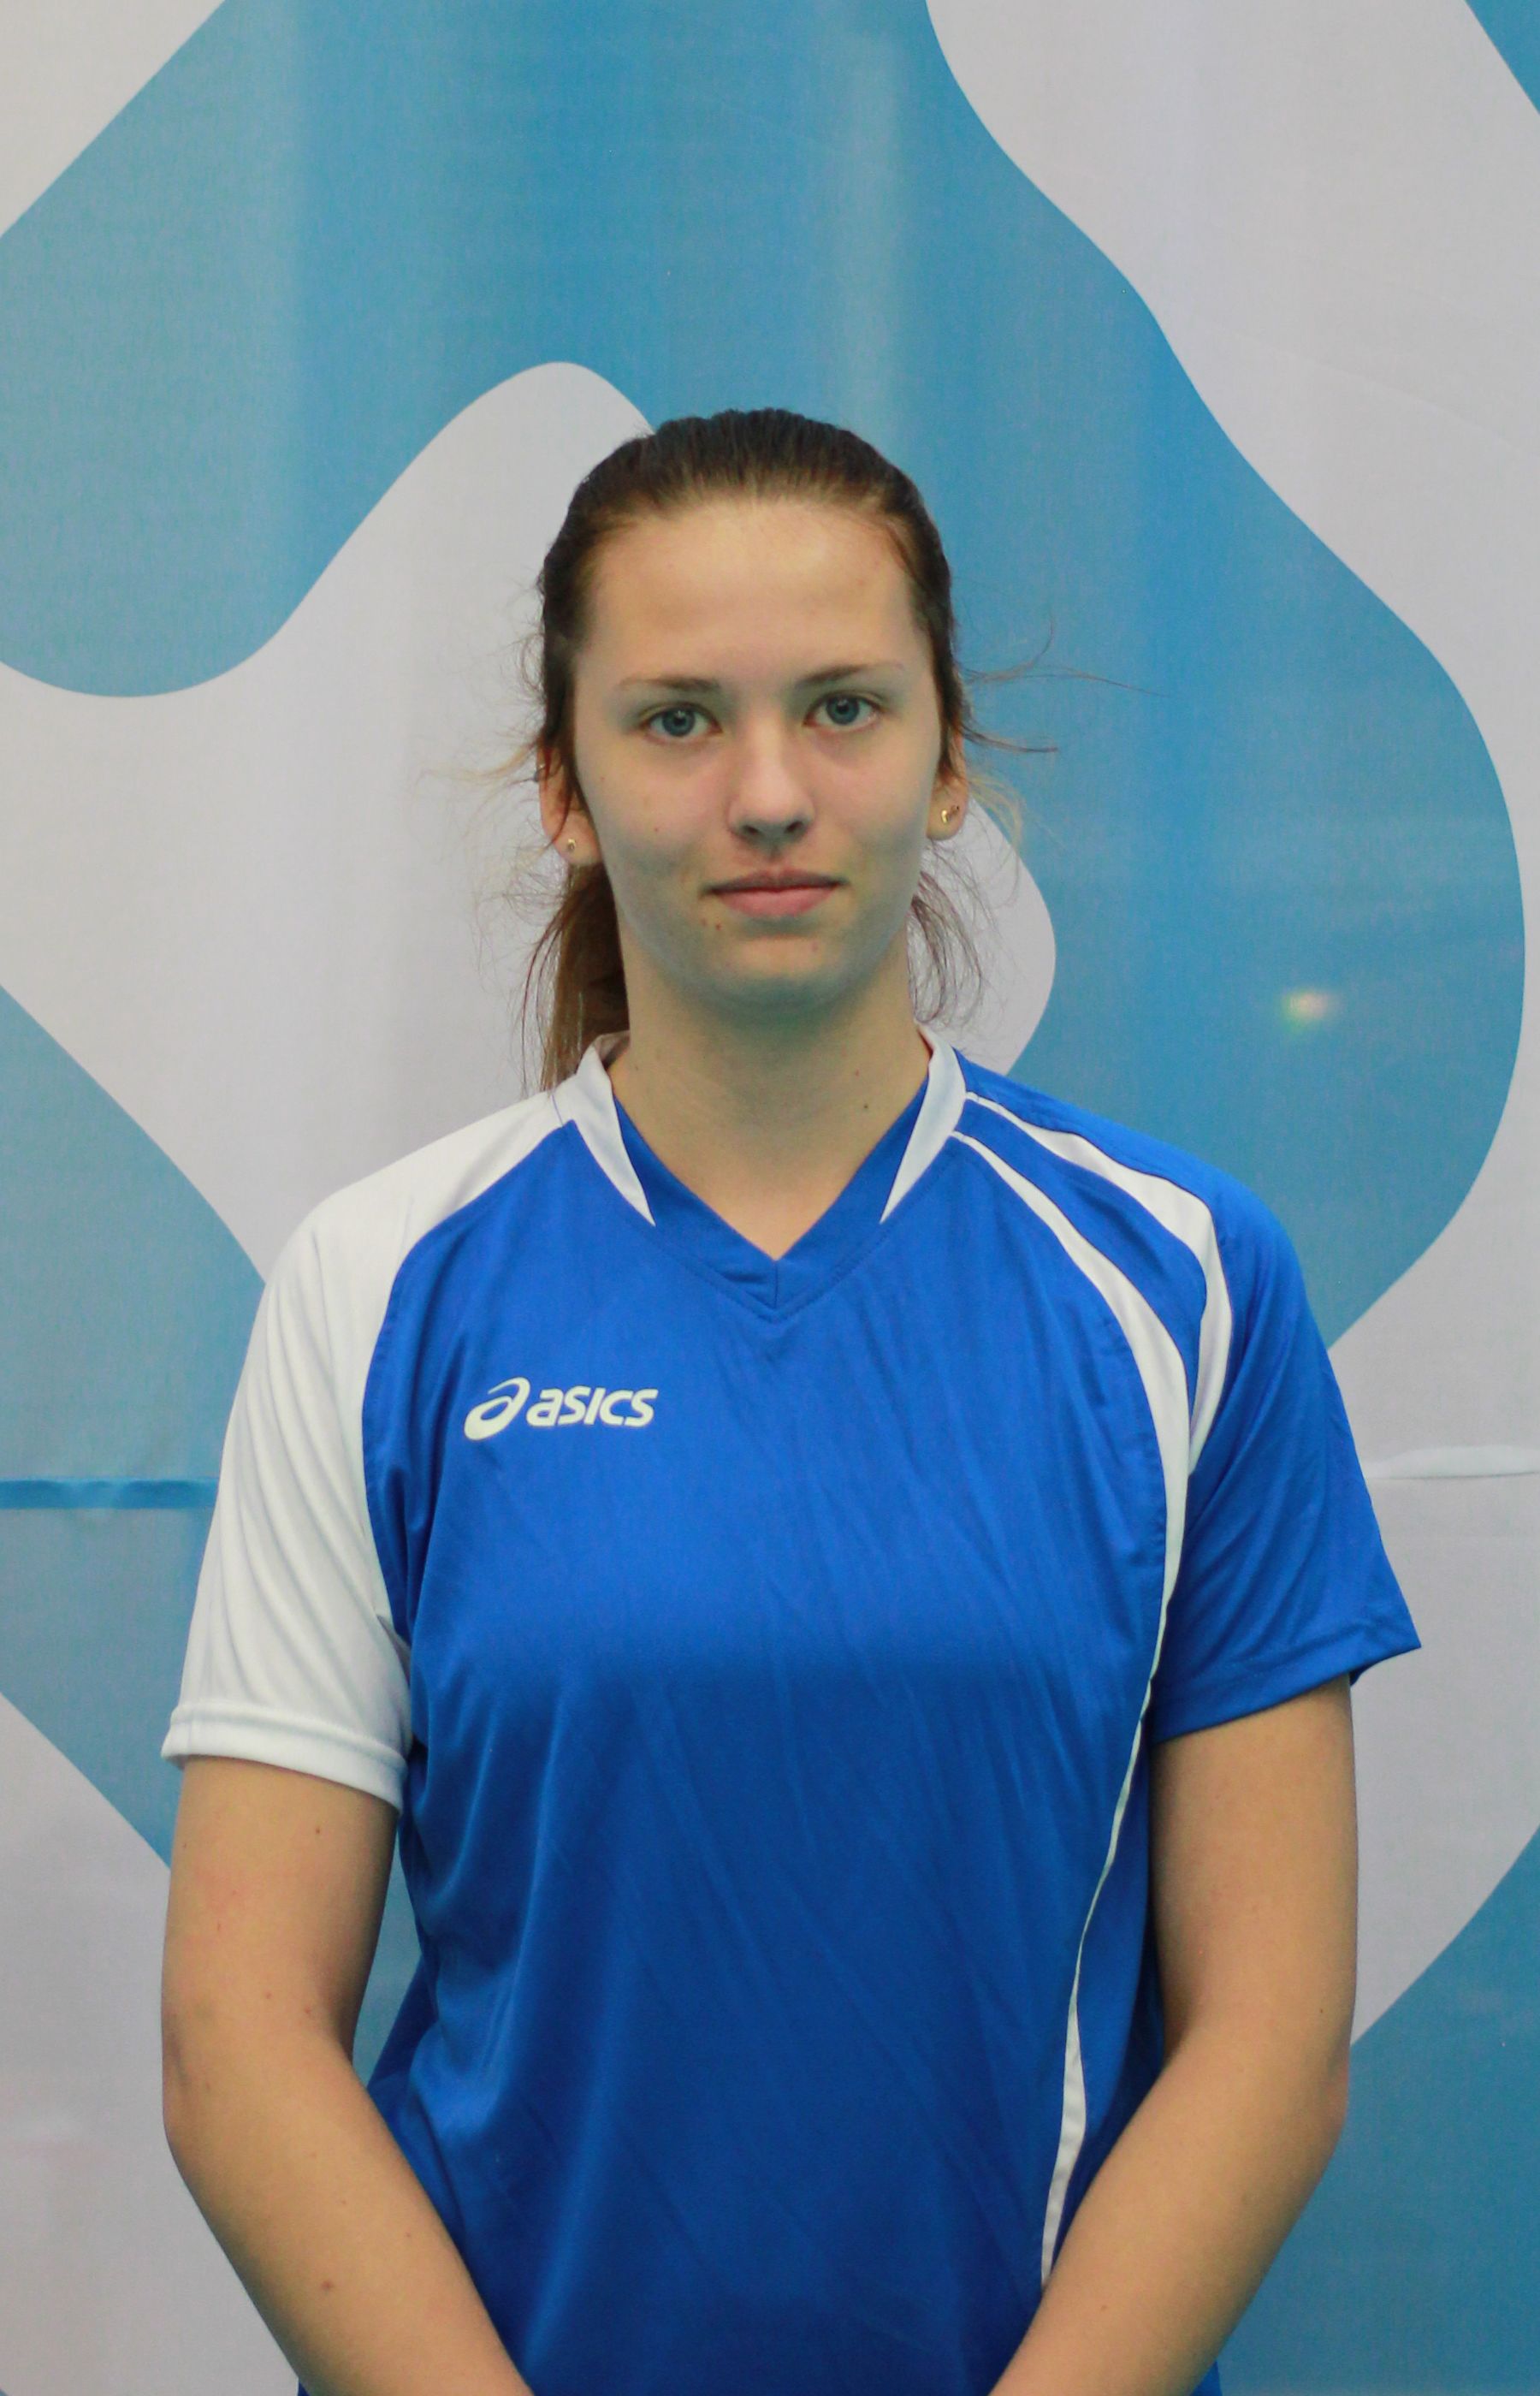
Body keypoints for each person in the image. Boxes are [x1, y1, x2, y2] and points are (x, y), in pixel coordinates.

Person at [158, 406, 1421, 2396]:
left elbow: (1268, 2037)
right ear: (564, 782)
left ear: (947, 757)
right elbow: (239, 2037)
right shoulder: (382, 1284)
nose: (768, 792)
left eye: (843, 708)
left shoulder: (1184, 1278)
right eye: (677, 719)